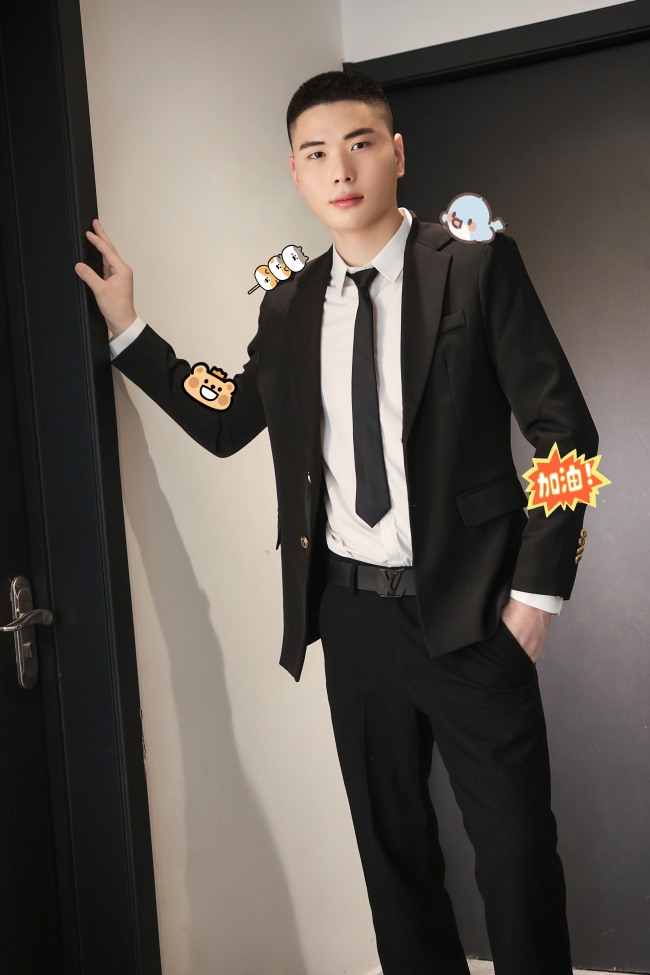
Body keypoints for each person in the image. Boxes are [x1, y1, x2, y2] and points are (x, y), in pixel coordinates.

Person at [75, 69, 598, 975]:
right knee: (394, 862)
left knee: (516, 858)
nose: (340, 170)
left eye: (359, 145)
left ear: (397, 153)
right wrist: (129, 328)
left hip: (475, 614)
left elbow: (567, 434)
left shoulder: (474, 264)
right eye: (315, 153)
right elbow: (229, 418)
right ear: (295, 173)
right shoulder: (288, 306)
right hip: (353, 619)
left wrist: (536, 595)